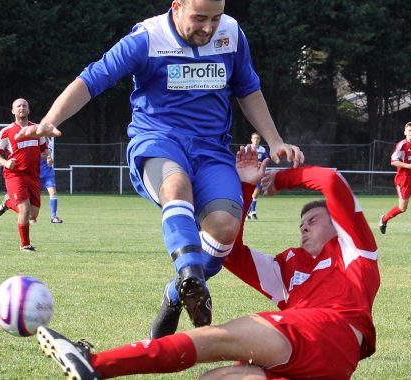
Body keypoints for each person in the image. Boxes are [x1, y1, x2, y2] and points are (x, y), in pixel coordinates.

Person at [17, 0, 304, 335]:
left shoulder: (232, 34)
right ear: (177, 7)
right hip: (158, 142)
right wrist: (50, 119)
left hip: (211, 151)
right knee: (175, 184)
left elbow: (248, 90)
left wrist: (275, 139)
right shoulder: (147, 38)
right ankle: (189, 275)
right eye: (199, 18)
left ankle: (177, 292)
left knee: (225, 227)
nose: (208, 28)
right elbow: (93, 78)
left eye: (215, 18)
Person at [36, 146, 380, 380]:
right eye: (301, 224)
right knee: (212, 378)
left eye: (314, 220)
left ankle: (95, 363)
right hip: (321, 365)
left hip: (329, 334)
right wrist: (245, 189)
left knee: (211, 339)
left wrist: (279, 180)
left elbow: (330, 181)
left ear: (337, 223)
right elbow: (231, 250)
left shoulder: (354, 249)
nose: (304, 228)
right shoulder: (287, 266)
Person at [0, 98, 52, 252]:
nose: (21, 108)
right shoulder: (7, 131)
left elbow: (44, 148)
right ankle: (25, 245)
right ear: (13, 111)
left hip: (33, 176)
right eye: (18, 106)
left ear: (28, 110)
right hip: (14, 175)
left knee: (33, 215)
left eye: (24, 105)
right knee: (24, 210)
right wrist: (5, 163)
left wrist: (48, 156)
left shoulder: (37, 130)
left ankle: (8, 202)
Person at [379, 121, 411, 240]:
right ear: (405, 132)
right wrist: (408, 166)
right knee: (402, 208)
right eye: (409, 130)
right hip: (403, 180)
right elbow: (393, 161)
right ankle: (384, 219)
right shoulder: (401, 145)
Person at [245, 132, 270, 220]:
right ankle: (249, 212)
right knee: (248, 194)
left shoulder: (262, 150)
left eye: (258, 138)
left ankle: (253, 212)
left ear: (260, 140)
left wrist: (261, 164)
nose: (256, 140)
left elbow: (266, 161)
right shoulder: (247, 149)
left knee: (256, 193)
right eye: (254, 138)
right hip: (248, 174)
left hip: (258, 174)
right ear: (251, 140)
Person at [38, 148, 63, 224]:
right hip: (36, 174)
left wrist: (50, 161)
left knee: (53, 193)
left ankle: (54, 217)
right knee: (32, 196)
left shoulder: (48, 142)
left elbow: (50, 159)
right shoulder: (32, 141)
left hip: (48, 174)